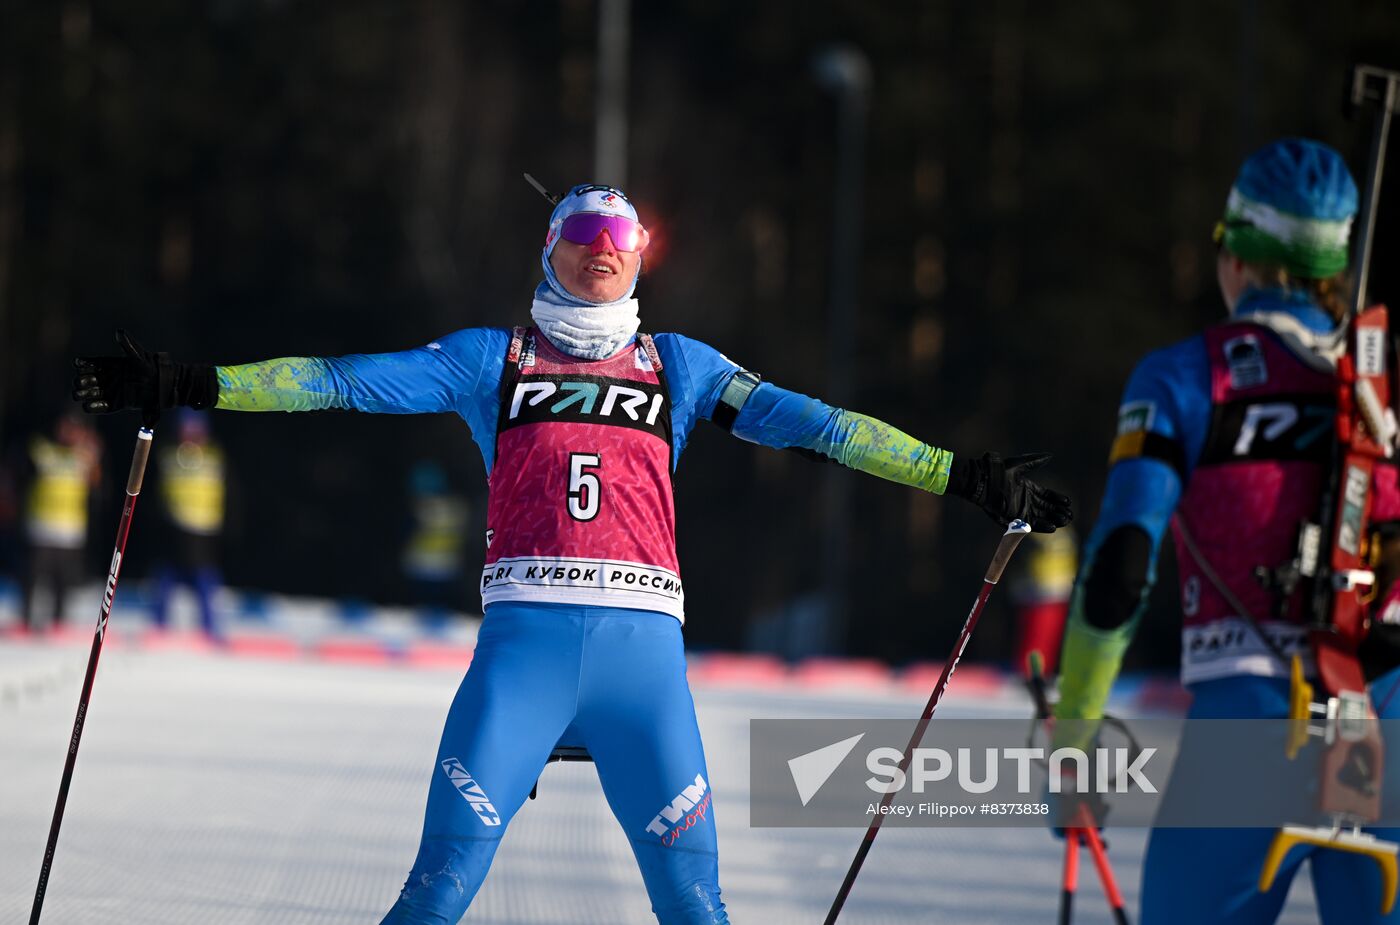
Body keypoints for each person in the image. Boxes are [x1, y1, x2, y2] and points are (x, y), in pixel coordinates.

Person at [72, 181, 1072, 924]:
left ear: (643, 257)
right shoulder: (492, 359)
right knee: (436, 891)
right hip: (524, 657)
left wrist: (961, 476)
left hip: (644, 669)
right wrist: (192, 381)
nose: (604, 249)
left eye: (623, 236)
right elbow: (335, 380)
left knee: (697, 906)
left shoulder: (678, 365)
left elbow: (816, 426)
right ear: (550, 251)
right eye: (584, 233)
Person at [1053, 138, 1400, 924]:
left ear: (1237, 256)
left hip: (1252, 727)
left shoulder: (1185, 375)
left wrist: (1074, 735)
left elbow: (1121, 561)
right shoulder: (1384, 379)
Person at [21, 414, 102, 632]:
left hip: (70, 530)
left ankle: (59, 624)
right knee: (33, 578)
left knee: (63, 582)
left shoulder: (85, 455)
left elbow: (97, 486)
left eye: (74, 429)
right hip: (41, 526)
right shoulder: (43, 450)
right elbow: (22, 476)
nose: (69, 432)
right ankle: (27, 622)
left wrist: (94, 456)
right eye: (66, 427)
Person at [152, 409, 226, 635]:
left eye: (196, 428)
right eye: (187, 428)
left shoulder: (214, 457)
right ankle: (158, 625)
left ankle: (210, 628)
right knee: (166, 577)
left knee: (205, 580)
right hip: (177, 528)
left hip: (204, 530)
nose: (192, 434)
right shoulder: (172, 455)